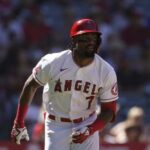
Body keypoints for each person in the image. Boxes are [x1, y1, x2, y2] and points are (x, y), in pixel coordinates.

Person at [11, 18, 118, 150]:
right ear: (74, 41)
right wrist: (19, 122)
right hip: (56, 125)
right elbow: (31, 86)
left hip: (86, 123)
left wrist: (90, 129)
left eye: (94, 37)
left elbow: (109, 111)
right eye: (85, 37)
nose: (91, 41)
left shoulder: (106, 70)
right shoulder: (53, 62)